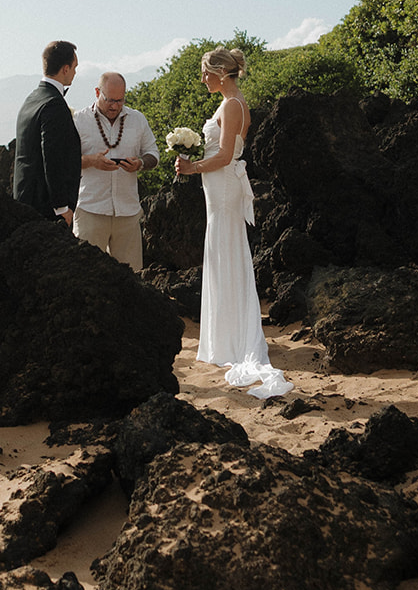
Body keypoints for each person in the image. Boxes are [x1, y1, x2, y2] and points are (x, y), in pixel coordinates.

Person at [175, 45, 290, 399]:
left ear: (221, 73)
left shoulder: (232, 104)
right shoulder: (236, 103)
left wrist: (192, 166)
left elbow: (225, 155)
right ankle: (226, 336)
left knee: (226, 253)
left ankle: (232, 340)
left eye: (205, 73)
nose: (203, 79)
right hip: (221, 189)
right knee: (224, 253)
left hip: (223, 188)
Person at [74, 73, 159, 271]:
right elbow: (64, 162)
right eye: (109, 100)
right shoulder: (79, 120)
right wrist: (91, 161)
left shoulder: (137, 119)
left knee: (132, 281)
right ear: (97, 93)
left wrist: (140, 163)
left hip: (128, 213)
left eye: (120, 100)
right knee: (86, 277)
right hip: (90, 210)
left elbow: (153, 153)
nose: (114, 106)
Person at [12, 40, 82, 225]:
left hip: (24, 200)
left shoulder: (32, 99)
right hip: (46, 208)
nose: (75, 72)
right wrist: (61, 207)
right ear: (65, 69)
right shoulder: (53, 104)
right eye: (74, 67)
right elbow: (52, 157)